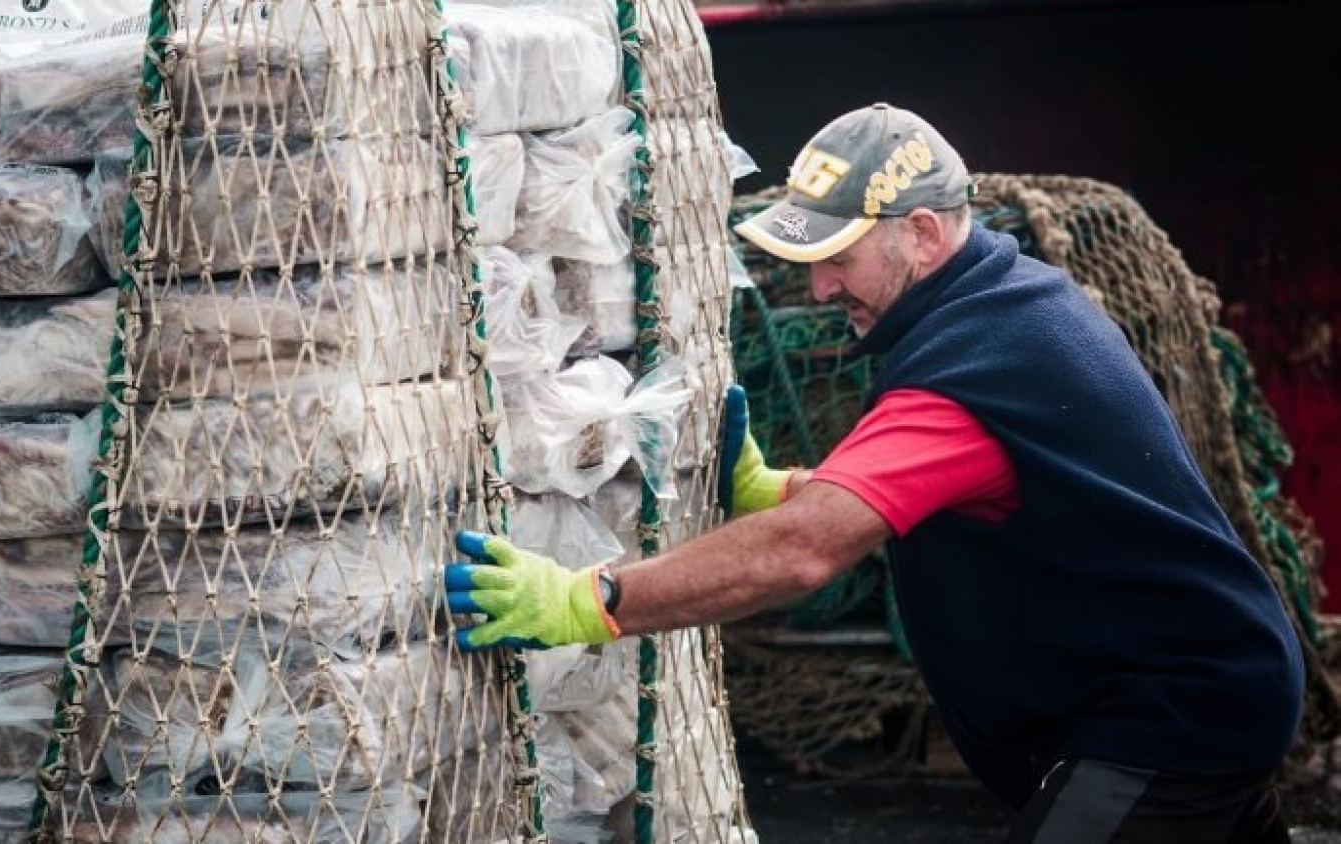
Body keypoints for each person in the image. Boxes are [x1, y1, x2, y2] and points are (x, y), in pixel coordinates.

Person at [444, 103, 1304, 843]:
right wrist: (777, 488)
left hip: (1167, 722)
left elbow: (801, 555)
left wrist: (586, 601)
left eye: (840, 258)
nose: (820, 287)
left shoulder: (974, 371)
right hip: (1218, 690)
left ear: (923, 234)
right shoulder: (1008, 304)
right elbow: (961, 494)